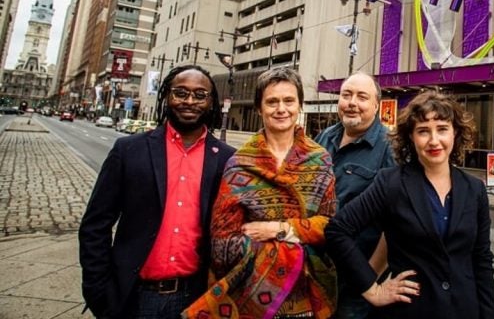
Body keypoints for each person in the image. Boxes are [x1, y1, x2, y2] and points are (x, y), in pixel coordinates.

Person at [79, 65, 235, 319]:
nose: (189, 101)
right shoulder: (129, 150)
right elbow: (95, 225)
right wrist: (98, 290)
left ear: (211, 103)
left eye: (199, 95)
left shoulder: (227, 159)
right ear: (166, 96)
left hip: (197, 298)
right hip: (135, 297)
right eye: (181, 93)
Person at [325, 90, 494, 319]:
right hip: (409, 311)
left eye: (442, 129)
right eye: (423, 131)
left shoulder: (474, 190)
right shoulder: (391, 183)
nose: (434, 140)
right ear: (411, 137)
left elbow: (482, 260)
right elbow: (337, 230)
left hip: (464, 310)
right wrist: (372, 288)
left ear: (455, 132)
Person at [183, 67, 337, 319]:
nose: (281, 109)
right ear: (259, 108)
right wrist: (298, 241)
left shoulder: (320, 160)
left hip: (304, 299)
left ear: (300, 105)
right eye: (272, 102)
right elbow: (222, 244)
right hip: (248, 298)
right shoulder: (239, 163)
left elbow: (330, 226)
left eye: (289, 101)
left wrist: (278, 229)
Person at [314, 72, 395, 319]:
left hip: (355, 282)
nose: (352, 102)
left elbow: (396, 226)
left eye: (362, 97)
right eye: (346, 95)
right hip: (314, 269)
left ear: (376, 105)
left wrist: (368, 278)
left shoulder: (389, 149)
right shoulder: (323, 138)